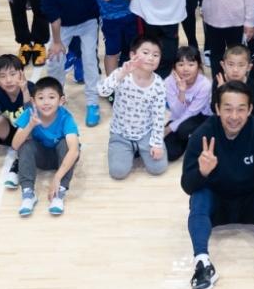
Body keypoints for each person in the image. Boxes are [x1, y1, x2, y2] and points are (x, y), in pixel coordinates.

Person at [183, 80, 254, 289]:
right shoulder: (202, 135)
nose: (234, 116)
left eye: (241, 109)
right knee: (199, 197)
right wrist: (202, 172)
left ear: (250, 110)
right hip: (216, 202)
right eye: (228, 109)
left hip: (252, 198)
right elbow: (187, 185)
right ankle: (202, 264)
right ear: (217, 109)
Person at [98, 35, 172, 178]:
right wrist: (121, 74)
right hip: (120, 134)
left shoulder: (159, 84)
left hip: (146, 133)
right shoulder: (122, 74)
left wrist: (156, 143)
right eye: (146, 52)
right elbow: (102, 91)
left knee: (158, 168)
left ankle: (137, 150)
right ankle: (127, 149)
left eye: (155, 55)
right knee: (118, 172)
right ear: (133, 55)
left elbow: (158, 116)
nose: (151, 58)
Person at [13, 75, 82, 216]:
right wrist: (30, 125)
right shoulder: (29, 114)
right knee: (25, 145)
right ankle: (28, 193)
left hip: (60, 157)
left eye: (51, 97)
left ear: (61, 100)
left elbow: (74, 151)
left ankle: (59, 192)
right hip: (41, 158)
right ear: (33, 101)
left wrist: (56, 178)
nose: (46, 102)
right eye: (41, 98)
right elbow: (15, 145)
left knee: (66, 145)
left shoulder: (66, 117)